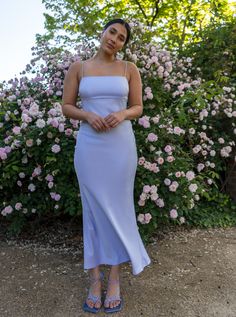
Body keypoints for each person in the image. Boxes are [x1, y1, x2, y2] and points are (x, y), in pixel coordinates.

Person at [62, 18, 151, 314]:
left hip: (120, 147)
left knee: (119, 208)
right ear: (102, 32)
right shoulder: (79, 68)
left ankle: (114, 279)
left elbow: (138, 107)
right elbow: (67, 106)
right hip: (89, 147)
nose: (115, 39)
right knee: (93, 210)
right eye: (112, 31)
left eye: (122, 37)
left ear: (124, 44)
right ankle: (94, 280)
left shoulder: (129, 69)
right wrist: (87, 116)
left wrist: (123, 113)